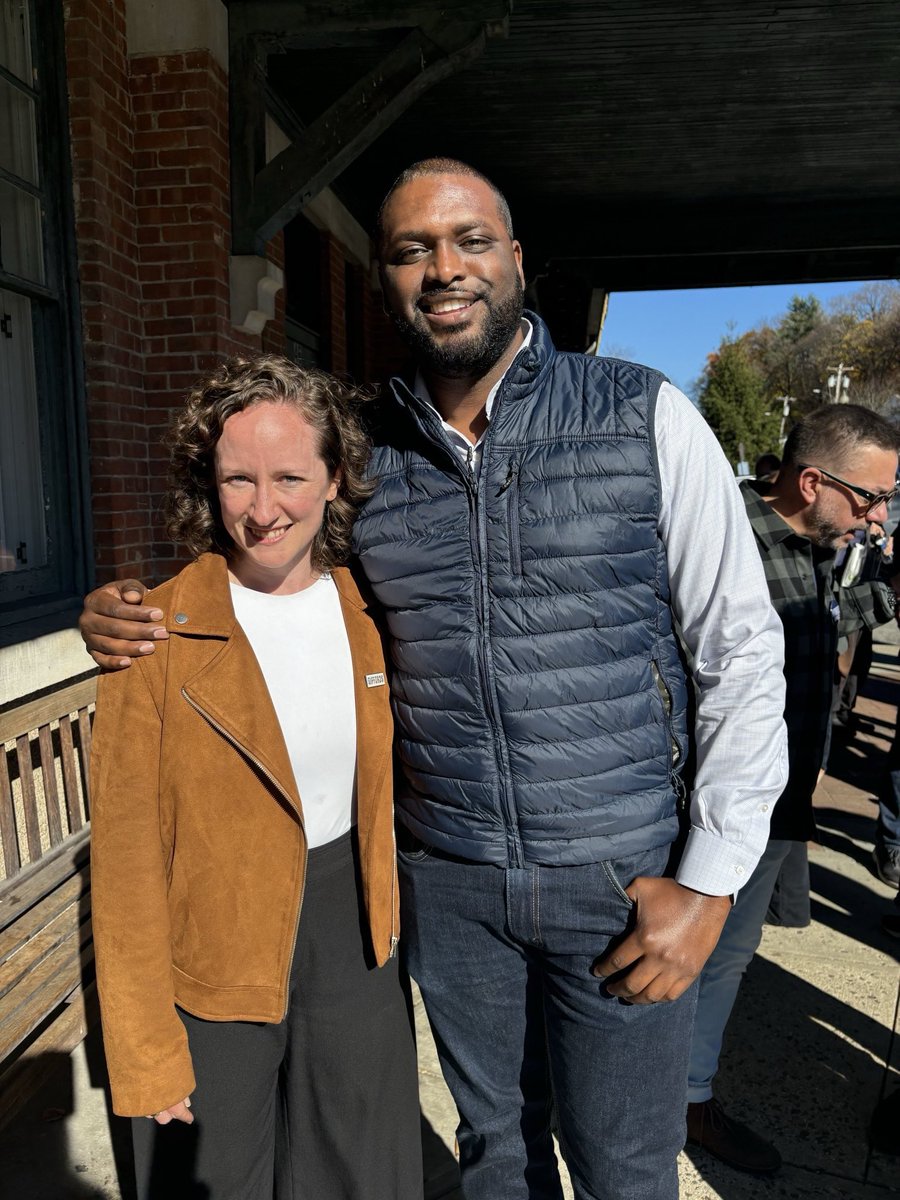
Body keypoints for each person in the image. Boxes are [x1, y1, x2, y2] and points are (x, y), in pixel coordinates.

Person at [81, 159, 789, 1200]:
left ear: (515, 260)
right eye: (413, 250)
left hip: (618, 878)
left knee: (623, 1169)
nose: (443, 268)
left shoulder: (643, 416)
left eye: (468, 240)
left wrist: (714, 879)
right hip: (451, 888)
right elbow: (267, 564)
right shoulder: (366, 455)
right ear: (385, 281)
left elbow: (740, 648)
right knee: (494, 1158)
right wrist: (123, 607)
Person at [89, 357, 422, 1200]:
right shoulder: (153, 637)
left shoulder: (370, 613)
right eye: (237, 478)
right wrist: (142, 1050)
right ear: (210, 479)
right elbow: (124, 864)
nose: (262, 509)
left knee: (360, 1177)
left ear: (335, 477)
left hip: (355, 943)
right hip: (212, 963)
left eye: (288, 477)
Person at [685, 404, 899, 1175]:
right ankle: (669, 1101)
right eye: (872, 498)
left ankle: (689, 1092)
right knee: (691, 960)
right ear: (813, 482)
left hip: (781, 805)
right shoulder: (723, 539)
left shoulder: (810, 544)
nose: (878, 517)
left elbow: (828, 620)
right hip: (712, 815)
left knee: (729, 960)